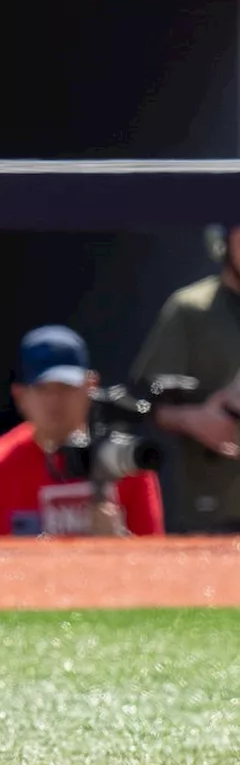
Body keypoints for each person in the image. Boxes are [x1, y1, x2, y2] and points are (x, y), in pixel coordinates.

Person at [0, 325, 164, 537]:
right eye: (42, 389)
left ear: (91, 387)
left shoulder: (126, 461)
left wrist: (117, 542)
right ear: (20, 395)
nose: (55, 400)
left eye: (67, 387)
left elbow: (156, 560)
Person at [129, 224, 240, 533]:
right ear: (224, 239)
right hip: (213, 509)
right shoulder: (191, 310)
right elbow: (144, 400)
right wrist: (194, 419)